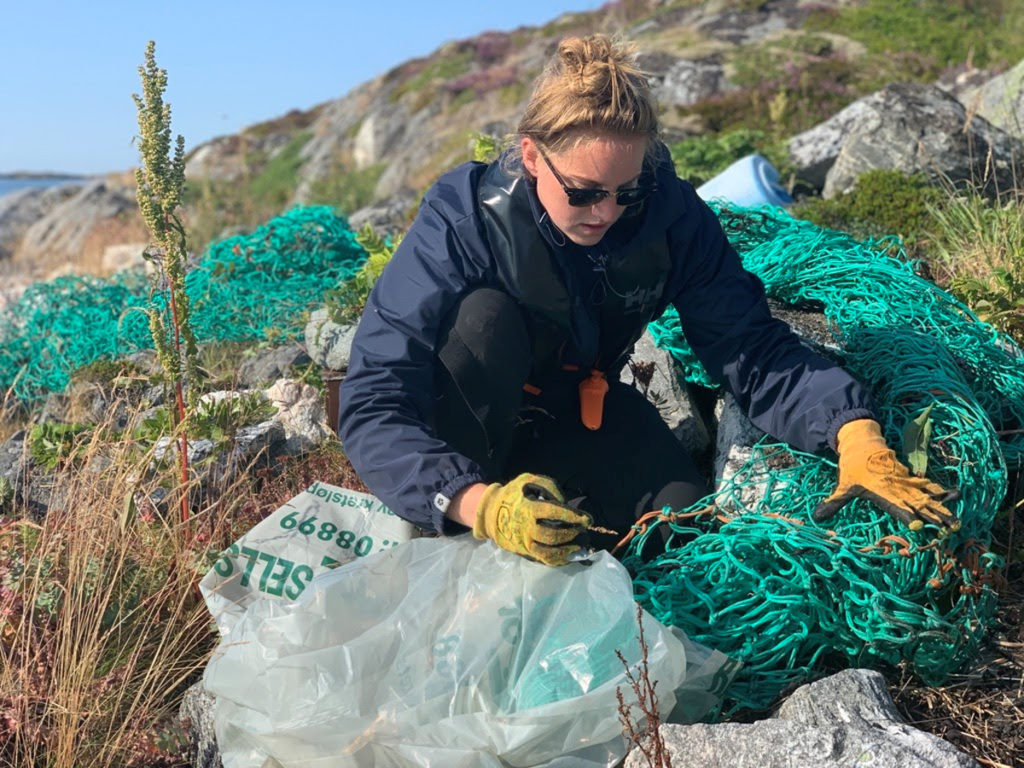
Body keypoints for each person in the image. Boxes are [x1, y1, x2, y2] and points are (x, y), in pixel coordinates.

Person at [338, 34, 958, 566]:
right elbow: (374, 402)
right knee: (484, 321)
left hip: (572, 409)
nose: (605, 213)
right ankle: (456, 522)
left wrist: (851, 431)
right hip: (468, 433)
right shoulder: (462, 220)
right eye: (582, 193)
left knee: (678, 525)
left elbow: (749, 345)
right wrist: (480, 505)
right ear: (531, 156)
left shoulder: (672, 220)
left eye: (625, 192)